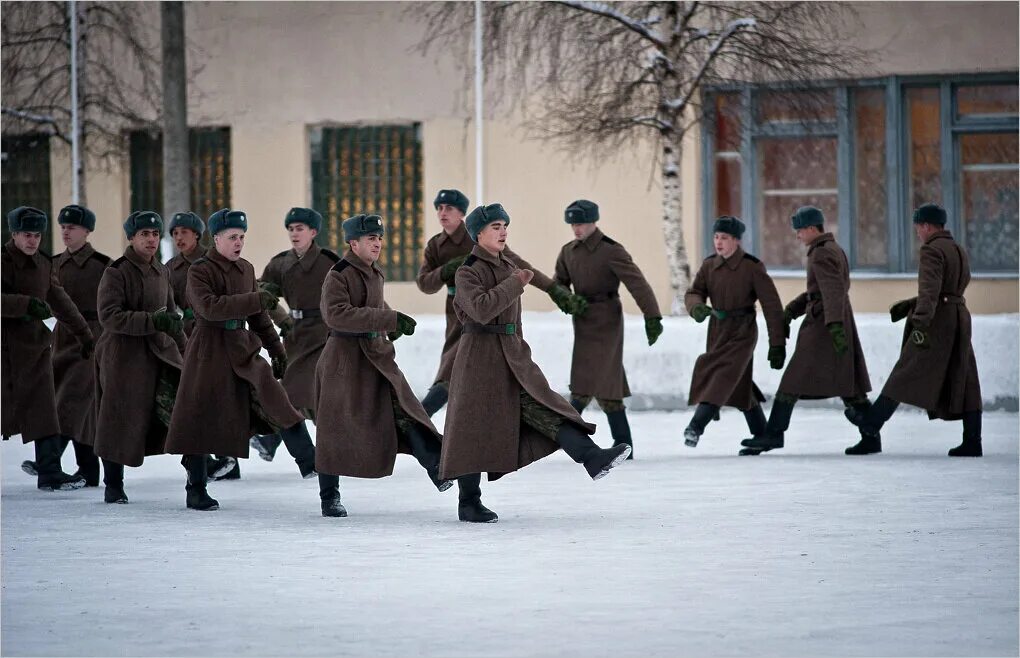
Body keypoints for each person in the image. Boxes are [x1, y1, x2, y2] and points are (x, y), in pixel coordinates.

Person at [440, 203, 632, 523]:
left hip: (513, 353)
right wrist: (516, 282)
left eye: (505, 226)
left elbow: (533, 275)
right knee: (472, 429)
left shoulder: (507, 262)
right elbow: (481, 309)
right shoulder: (467, 270)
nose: (503, 231)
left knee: (547, 407)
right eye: (496, 227)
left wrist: (554, 289)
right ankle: (468, 501)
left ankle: (592, 457)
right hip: (480, 359)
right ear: (478, 235)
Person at [166, 208, 313, 511]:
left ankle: (311, 462)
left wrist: (277, 349)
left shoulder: (245, 268)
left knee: (278, 400)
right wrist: (255, 298)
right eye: (233, 237)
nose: (239, 242)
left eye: (242, 237)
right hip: (208, 350)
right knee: (200, 419)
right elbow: (209, 308)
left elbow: (258, 316)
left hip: (242, 347)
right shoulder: (200, 270)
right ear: (216, 238)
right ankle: (195, 488)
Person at [313, 213, 452, 518]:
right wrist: (387, 319)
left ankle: (437, 468)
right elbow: (336, 315)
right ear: (353, 243)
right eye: (370, 239)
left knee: (405, 412)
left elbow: (375, 306)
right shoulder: (338, 274)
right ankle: (329, 497)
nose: (377, 244)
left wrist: (394, 321)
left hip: (375, 358)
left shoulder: (374, 272)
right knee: (333, 431)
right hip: (344, 363)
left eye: (379, 238)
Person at [416, 188, 586, 416]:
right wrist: (447, 269)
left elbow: (519, 265)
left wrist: (554, 289)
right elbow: (425, 284)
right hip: (458, 311)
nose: (442, 213)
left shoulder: (480, 234)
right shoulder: (435, 245)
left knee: (454, 371)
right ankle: (421, 425)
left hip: (491, 311)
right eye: (439, 208)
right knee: (452, 369)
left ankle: (419, 421)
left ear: (462, 213)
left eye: (449, 208)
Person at [844, 203, 983, 457]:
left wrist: (920, 321)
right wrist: (911, 304)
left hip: (936, 321)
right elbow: (950, 289)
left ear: (927, 225)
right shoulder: (957, 249)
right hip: (959, 316)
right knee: (966, 377)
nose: (918, 232)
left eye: (918, 227)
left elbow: (930, 291)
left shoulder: (931, 250)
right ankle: (973, 439)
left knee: (905, 371)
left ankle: (871, 423)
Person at [740, 206, 873, 455]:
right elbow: (821, 291)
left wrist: (833, 325)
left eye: (800, 230)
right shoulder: (832, 249)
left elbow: (832, 291)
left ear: (812, 229)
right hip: (832, 319)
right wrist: (792, 310)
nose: (798, 235)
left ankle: (773, 434)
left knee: (793, 379)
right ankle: (871, 434)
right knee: (847, 382)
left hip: (823, 325)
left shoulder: (821, 253)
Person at [554, 199, 663, 458]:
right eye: (572, 224)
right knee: (602, 383)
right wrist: (567, 300)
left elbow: (637, 283)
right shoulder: (568, 251)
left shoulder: (611, 250)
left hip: (608, 320)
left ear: (593, 222)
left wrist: (652, 316)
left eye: (580, 223)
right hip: (582, 320)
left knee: (590, 381)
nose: (576, 229)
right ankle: (624, 445)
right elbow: (558, 283)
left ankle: (559, 436)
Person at [93, 211, 187, 504]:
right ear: (131, 238)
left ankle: (197, 481)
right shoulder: (116, 271)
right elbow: (109, 317)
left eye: (155, 234)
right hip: (123, 356)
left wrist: (185, 351)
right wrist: (152, 322)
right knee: (117, 420)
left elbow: (171, 315)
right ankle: (113, 484)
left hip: (160, 354)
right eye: (144, 234)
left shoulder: (162, 270)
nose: (151, 240)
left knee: (184, 412)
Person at [2, 206, 94, 491]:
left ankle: (50, 472)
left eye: (37, 235)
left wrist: (85, 334)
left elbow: (61, 300)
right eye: (27, 235)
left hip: (35, 350)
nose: (32, 241)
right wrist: (25, 305)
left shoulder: (43, 265)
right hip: (4, 352)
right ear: (14, 234)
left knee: (45, 413)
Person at [19, 205, 110, 486]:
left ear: (87, 231)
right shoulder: (52, 263)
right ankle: (89, 469)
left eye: (72, 227)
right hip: (60, 338)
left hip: (91, 338)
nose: (66, 232)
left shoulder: (103, 265)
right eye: (63, 227)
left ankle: (50, 460)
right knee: (69, 404)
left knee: (71, 400)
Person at [682, 216, 785, 448]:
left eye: (725, 238)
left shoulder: (751, 267)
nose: (719, 242)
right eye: (716, 237)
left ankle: (696, 427)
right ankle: (763, 435)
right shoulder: (709, 266)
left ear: (736, 241)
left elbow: (772, 306)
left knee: (721, 375)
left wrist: (777, 343)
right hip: (718, 330)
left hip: (743, 331)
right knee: (738, 383)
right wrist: (696, 307)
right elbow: (694, 292)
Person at [248, 208, 337, 476]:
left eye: (300, 228)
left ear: (313, 232)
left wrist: (384, 319)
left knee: (299, 391)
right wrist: (282, 318)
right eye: (291, 228)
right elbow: (262, 295)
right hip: (295, 334)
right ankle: (288, 448)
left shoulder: (329, 262)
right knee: (291, 394)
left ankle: (316, 455)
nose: (294, 233)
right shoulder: (280, 264)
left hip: (324, 333)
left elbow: (357, 290)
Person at [166, 211, 237, 481]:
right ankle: (204, 463)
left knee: (221, 400)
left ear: (197, 234)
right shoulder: (170, 268)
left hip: (216, 340)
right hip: (183, 343)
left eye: (183, 232)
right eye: (174, 233)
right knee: (194, 404)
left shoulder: (214, 262)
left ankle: (226, 461)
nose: (178, 237)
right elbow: (166, 301)